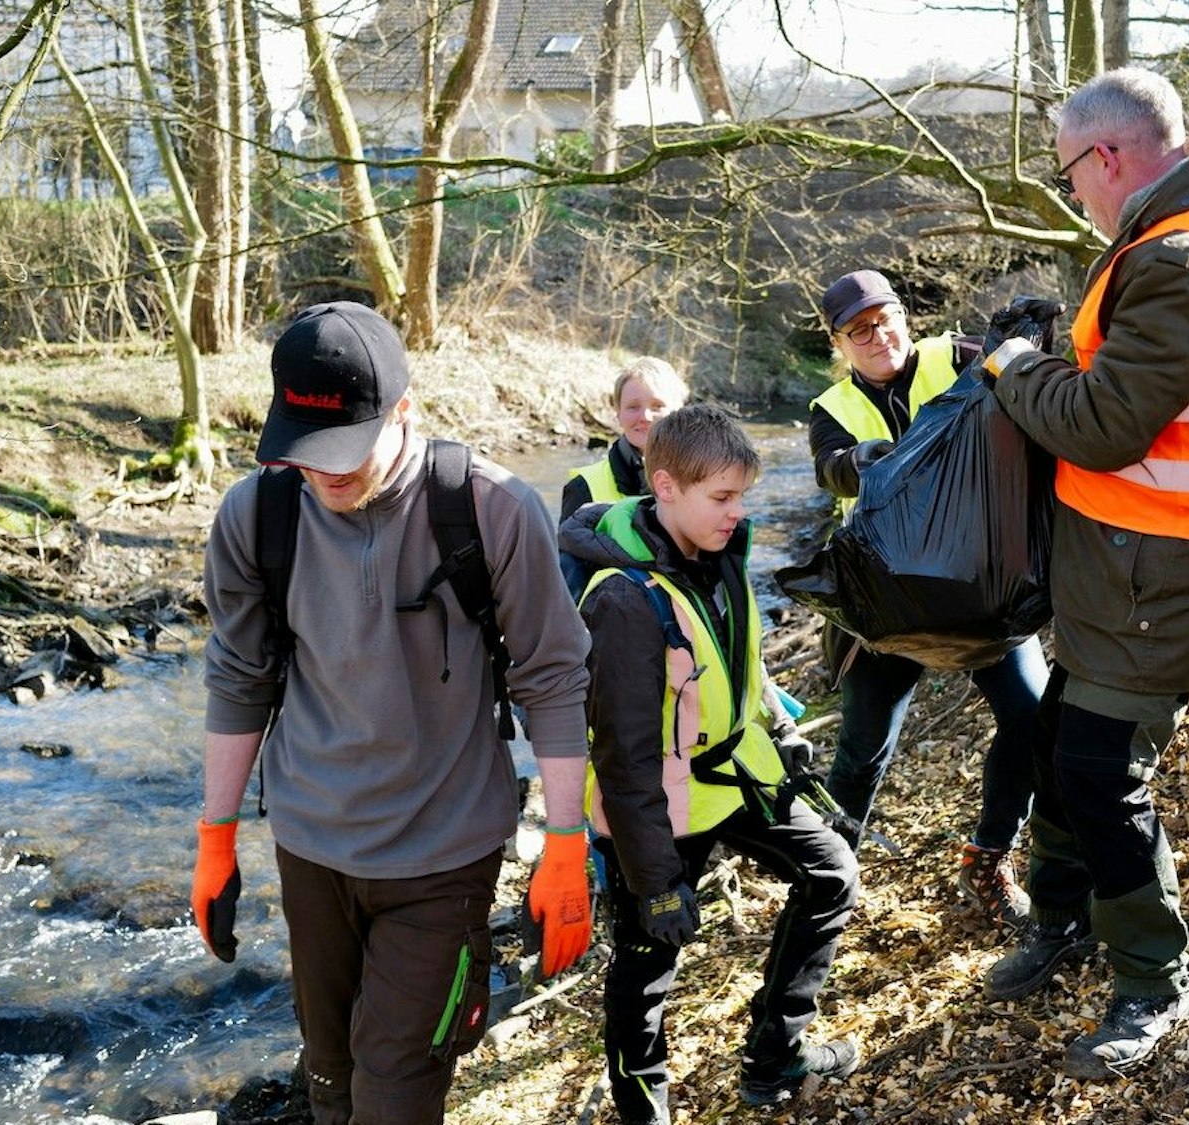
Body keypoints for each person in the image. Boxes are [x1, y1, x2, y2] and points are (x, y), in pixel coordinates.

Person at [975, 68, 1189, 1078]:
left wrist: (1010, 369)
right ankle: (1060, 920)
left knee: (1096, 767)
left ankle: (1149, 985)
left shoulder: (1185, 257)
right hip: (1132, 552)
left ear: (1109, 157)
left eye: (1068, 172)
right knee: (1053, 740)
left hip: (1171, 564)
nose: (1071, 191)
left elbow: (1103, 426)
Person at [191, 301, 597, 1124]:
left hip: (444, 856)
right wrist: (216, 836)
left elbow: (552, 676)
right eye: (305, 453)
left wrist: (563, 843)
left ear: (403, 411)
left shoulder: (491, 509)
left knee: (395, 1093)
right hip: (311, 844)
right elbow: (239, 674)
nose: (326, 473)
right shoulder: (257, 514)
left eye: (345, 449)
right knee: (331, 1079)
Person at [560, 404, 861, 1122]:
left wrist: (780, 733)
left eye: (742, 496)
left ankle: (773, 1055)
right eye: (721, 497)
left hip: (735, 771)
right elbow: (624, 760)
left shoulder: (719, 549)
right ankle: (645, 1112)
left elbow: (737, 662)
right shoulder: (625, 602)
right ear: (665, 486)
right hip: (656, 810)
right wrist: (657, 882)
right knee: (646, 969)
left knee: (830, 875)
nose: (737, 512)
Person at [806, 268, 1050, 931]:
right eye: (859, 330)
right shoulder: (831, 411)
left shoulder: (958, 358)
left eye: (884, 319)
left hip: (982, 587)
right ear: (841, 343)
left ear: (903, 318)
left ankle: (990, 857)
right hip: (890, 606)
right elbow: (829, 464)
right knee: (861, 748)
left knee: (1032, 717)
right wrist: (863, 459)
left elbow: (1026, 372)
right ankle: (830, 876)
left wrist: (1027, 333)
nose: (877, 335)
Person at [559, 357, 688, 598]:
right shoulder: (583, 488)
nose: (645, 416)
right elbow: (568, 588)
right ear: (618, 413)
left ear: (679, 411)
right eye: (633, 407)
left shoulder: (703, 479)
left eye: (657, 405)